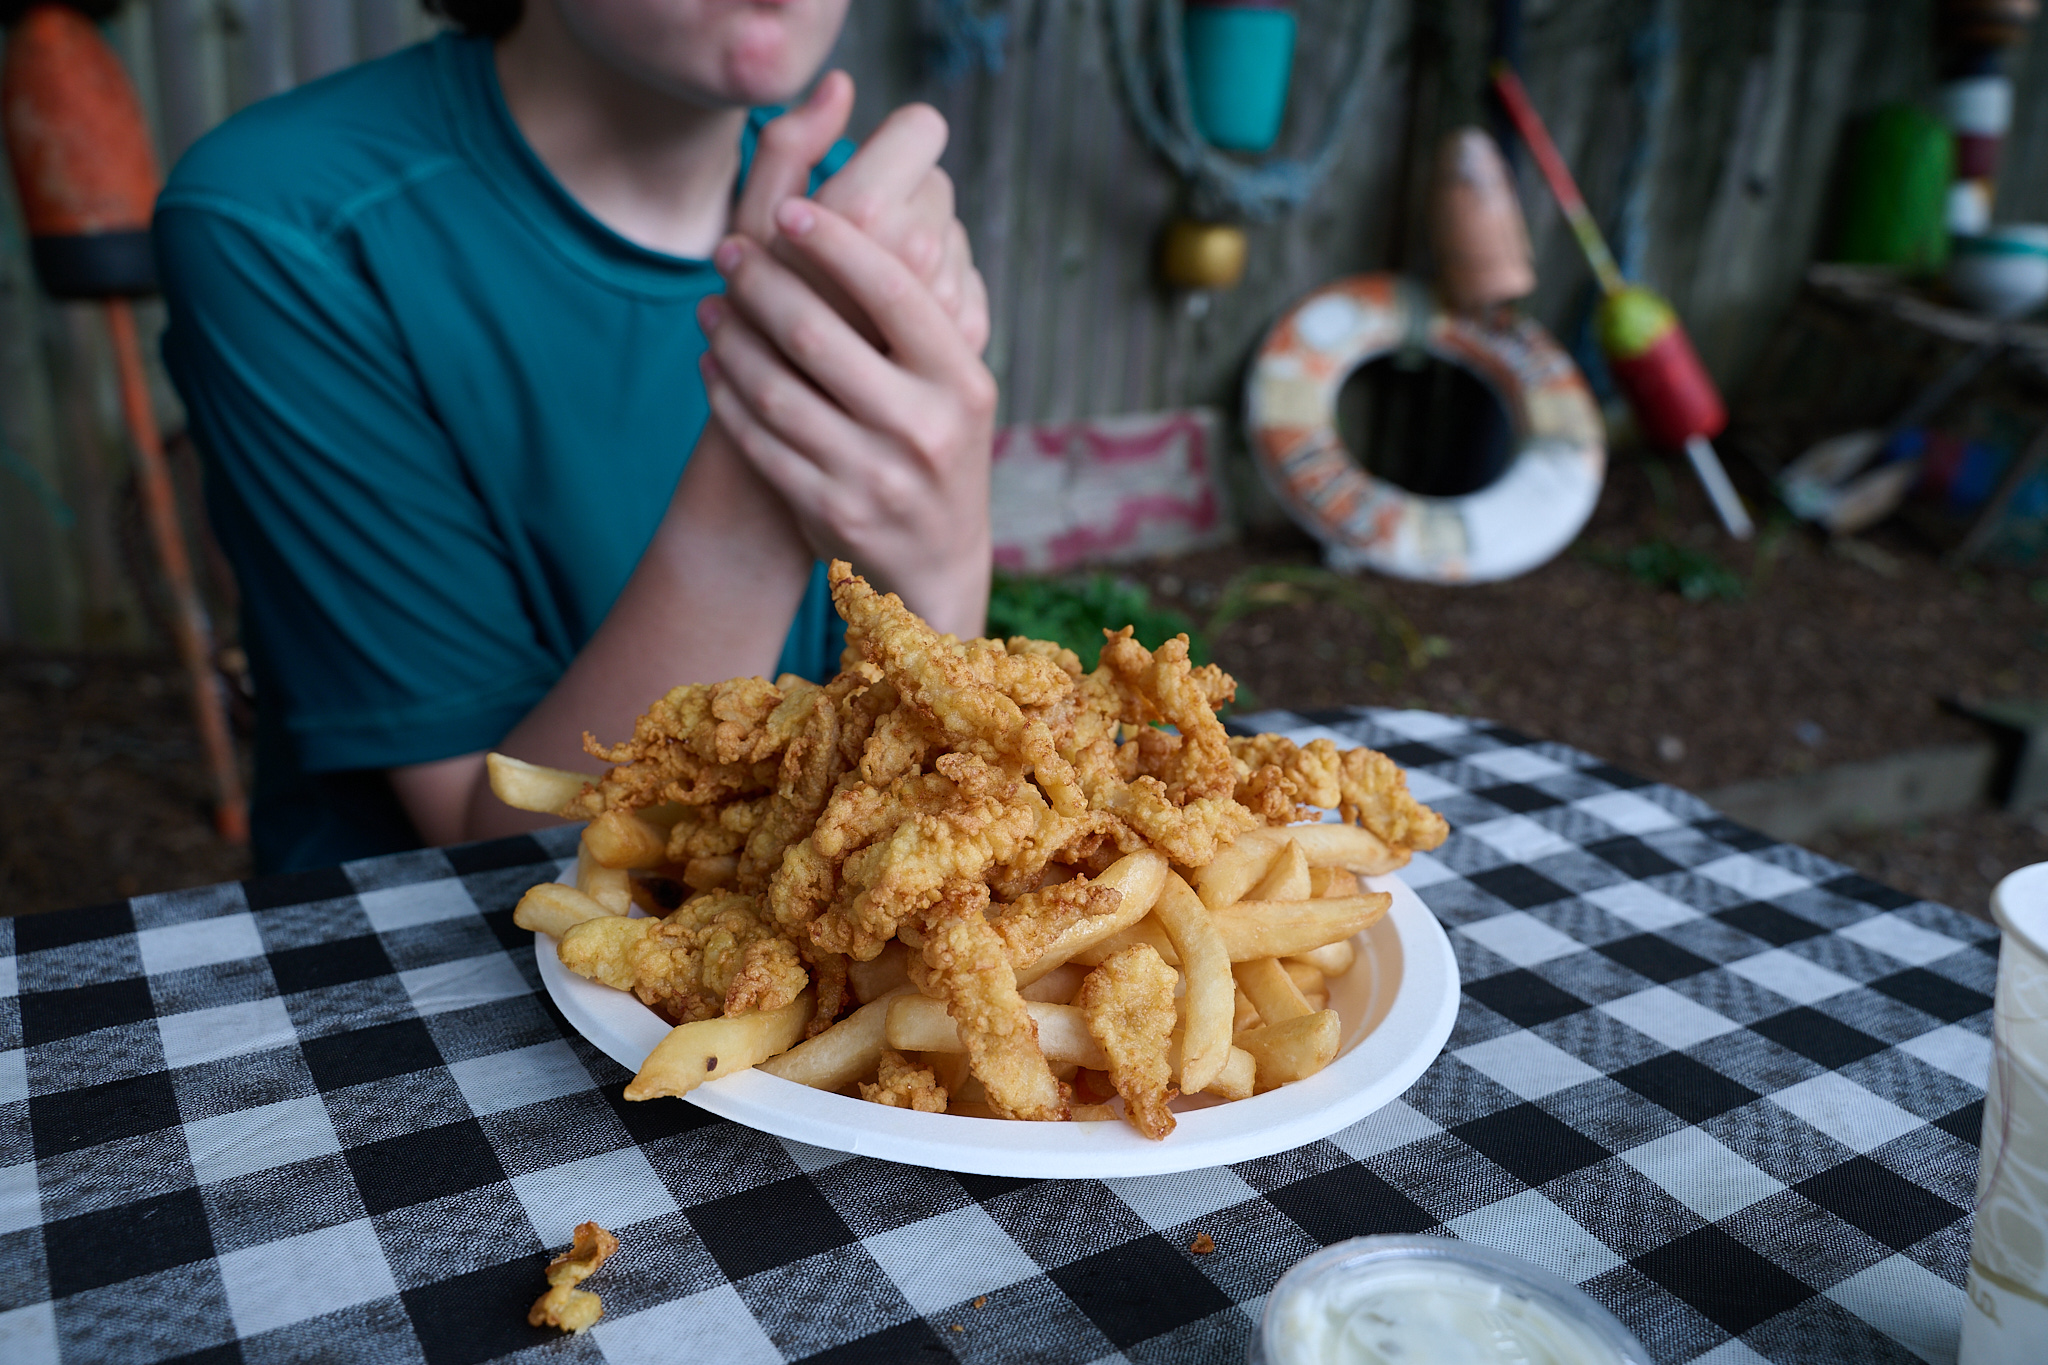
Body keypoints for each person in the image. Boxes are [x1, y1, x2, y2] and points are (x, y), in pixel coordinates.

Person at [155, 0, 996, 874]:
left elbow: (950, 776)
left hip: (808, 930)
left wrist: (947, 568)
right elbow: (511, 854)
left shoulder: (856, 211)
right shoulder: (285, 223)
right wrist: (769, 428)